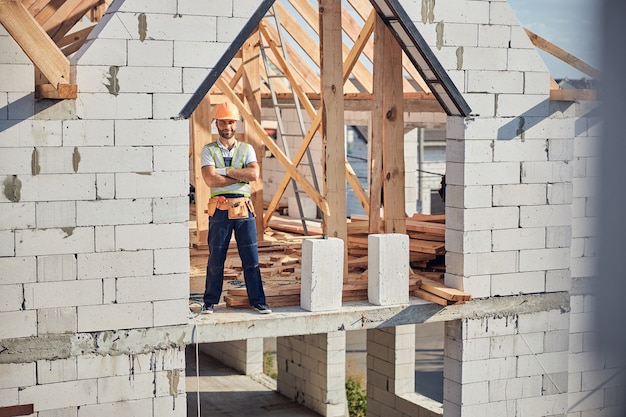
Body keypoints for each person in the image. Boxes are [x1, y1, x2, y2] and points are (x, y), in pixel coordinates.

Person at [200, 101, 271, 314]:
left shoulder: (247, 149)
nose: (227, 126)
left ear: (236, 124)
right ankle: (210, 301)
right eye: (223, 122)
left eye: (230, 122)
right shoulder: (208, 150)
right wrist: (239, 176)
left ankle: (258, 300)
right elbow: (210, 180)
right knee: (216, 258)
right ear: (217, 124)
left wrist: (225, 171)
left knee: (251, 258)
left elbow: (254, 175)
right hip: (220, 209)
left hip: (244, 209)